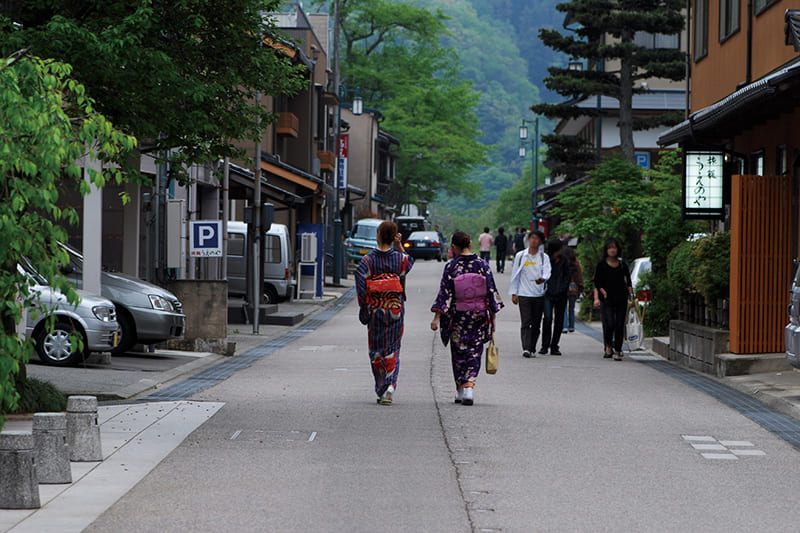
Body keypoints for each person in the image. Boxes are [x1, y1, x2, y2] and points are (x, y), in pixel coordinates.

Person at [431, 231, 503, 406]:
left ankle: (461, 389)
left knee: (458, 351)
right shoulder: (482, 265)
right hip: (478, 314)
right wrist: (492, 318)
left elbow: (445, 294)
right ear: (470, 244)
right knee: (474, 350)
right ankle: (469, 386)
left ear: (454, 247)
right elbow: (491, 292)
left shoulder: (451, 267)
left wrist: (436, 317)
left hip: (458, 315)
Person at [355, 220, 414, 404]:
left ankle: (382, 387)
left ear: (378, 235)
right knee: (393, 349)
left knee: (376, 351)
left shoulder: (368, 260)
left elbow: (360, 283)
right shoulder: (400, 259)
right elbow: (409, 264)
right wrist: (399, 246)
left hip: (376, 310)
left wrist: (364, 308)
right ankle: (390, 384)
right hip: (395, 309)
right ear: (393, 237)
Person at [508, 230, 551, 358]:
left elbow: (547, 271)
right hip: (524, 293)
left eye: (536, 239)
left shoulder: (544, 257)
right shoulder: (521, 255)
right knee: (526, 322)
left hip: (538, 294)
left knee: (536, 323)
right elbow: (515, 274)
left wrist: (543, 279)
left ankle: (532, 347)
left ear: (541, 242)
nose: (533, 241)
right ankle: (526, 347)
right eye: (531, 238)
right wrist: (514, 293)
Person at [592, 237, 633, 361]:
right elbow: (597, 281)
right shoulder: (601, 265)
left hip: (621, 298)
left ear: (617, 249)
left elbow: (629, 282)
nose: (612, 250)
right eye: (610, 248)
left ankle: (618, 349)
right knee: (609, 323)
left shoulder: (622, 265)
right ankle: (608, 345)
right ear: (606, 250)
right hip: (607, 299)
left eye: (614, 248)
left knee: (619, 324)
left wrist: (631, 298)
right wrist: (601, 293)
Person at [540, 238, 570, 355]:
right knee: (547, 319)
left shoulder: (564, 261)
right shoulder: (546, 260)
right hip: (548, 293)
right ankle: (544, 345)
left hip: (561, 295)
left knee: (559, 320)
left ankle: (554, 345)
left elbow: (567, 276)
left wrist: (563, 288)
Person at [562, 247, 584, 333]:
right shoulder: (576, 264)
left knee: (563, 308)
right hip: (574, 289)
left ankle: (564, 326)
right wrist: (581, 288)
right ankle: (571, 326)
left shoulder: (562, 263)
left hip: (563, 288)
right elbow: (579, 277)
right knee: (571, 308)